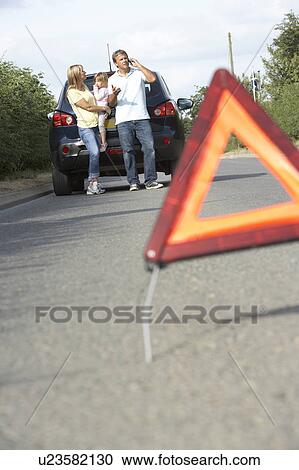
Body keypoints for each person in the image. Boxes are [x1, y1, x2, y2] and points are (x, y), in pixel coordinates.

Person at [108, 50, 163, 191]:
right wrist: (114, 95)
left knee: (149, 149)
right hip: (123, 120)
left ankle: (150, 181)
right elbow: (111, 103)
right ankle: (133, 182)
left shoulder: (138, 73)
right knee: (128, 151)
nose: (125, 61)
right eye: (121, 59)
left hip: (141, 117)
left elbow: (152, 79)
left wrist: (139, 65)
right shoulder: (112, 79)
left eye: (125, 58)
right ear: (116, 63)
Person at [66, 64, 110, 195]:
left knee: (96, 153)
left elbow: (95, 102)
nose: (85, 72)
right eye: (82, 71)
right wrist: (104, 108)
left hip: (95, 125)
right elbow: (88, 107)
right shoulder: (72, 92)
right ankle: (93, 183)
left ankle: (93, 184)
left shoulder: (84, 87)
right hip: (85, 128)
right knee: (95, 152)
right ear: (76, 75)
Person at [93, 72, 110, 152]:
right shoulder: (101, 90)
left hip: (101, 111)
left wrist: (95, 89)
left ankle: (104, 143)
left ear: (103, 82)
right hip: (99, 111)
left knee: (100, 125)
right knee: (98, 126)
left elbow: (98, 97)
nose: (96, 83)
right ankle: (100, 141)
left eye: (98, 81)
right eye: (95, 81)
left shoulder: (104, 90)